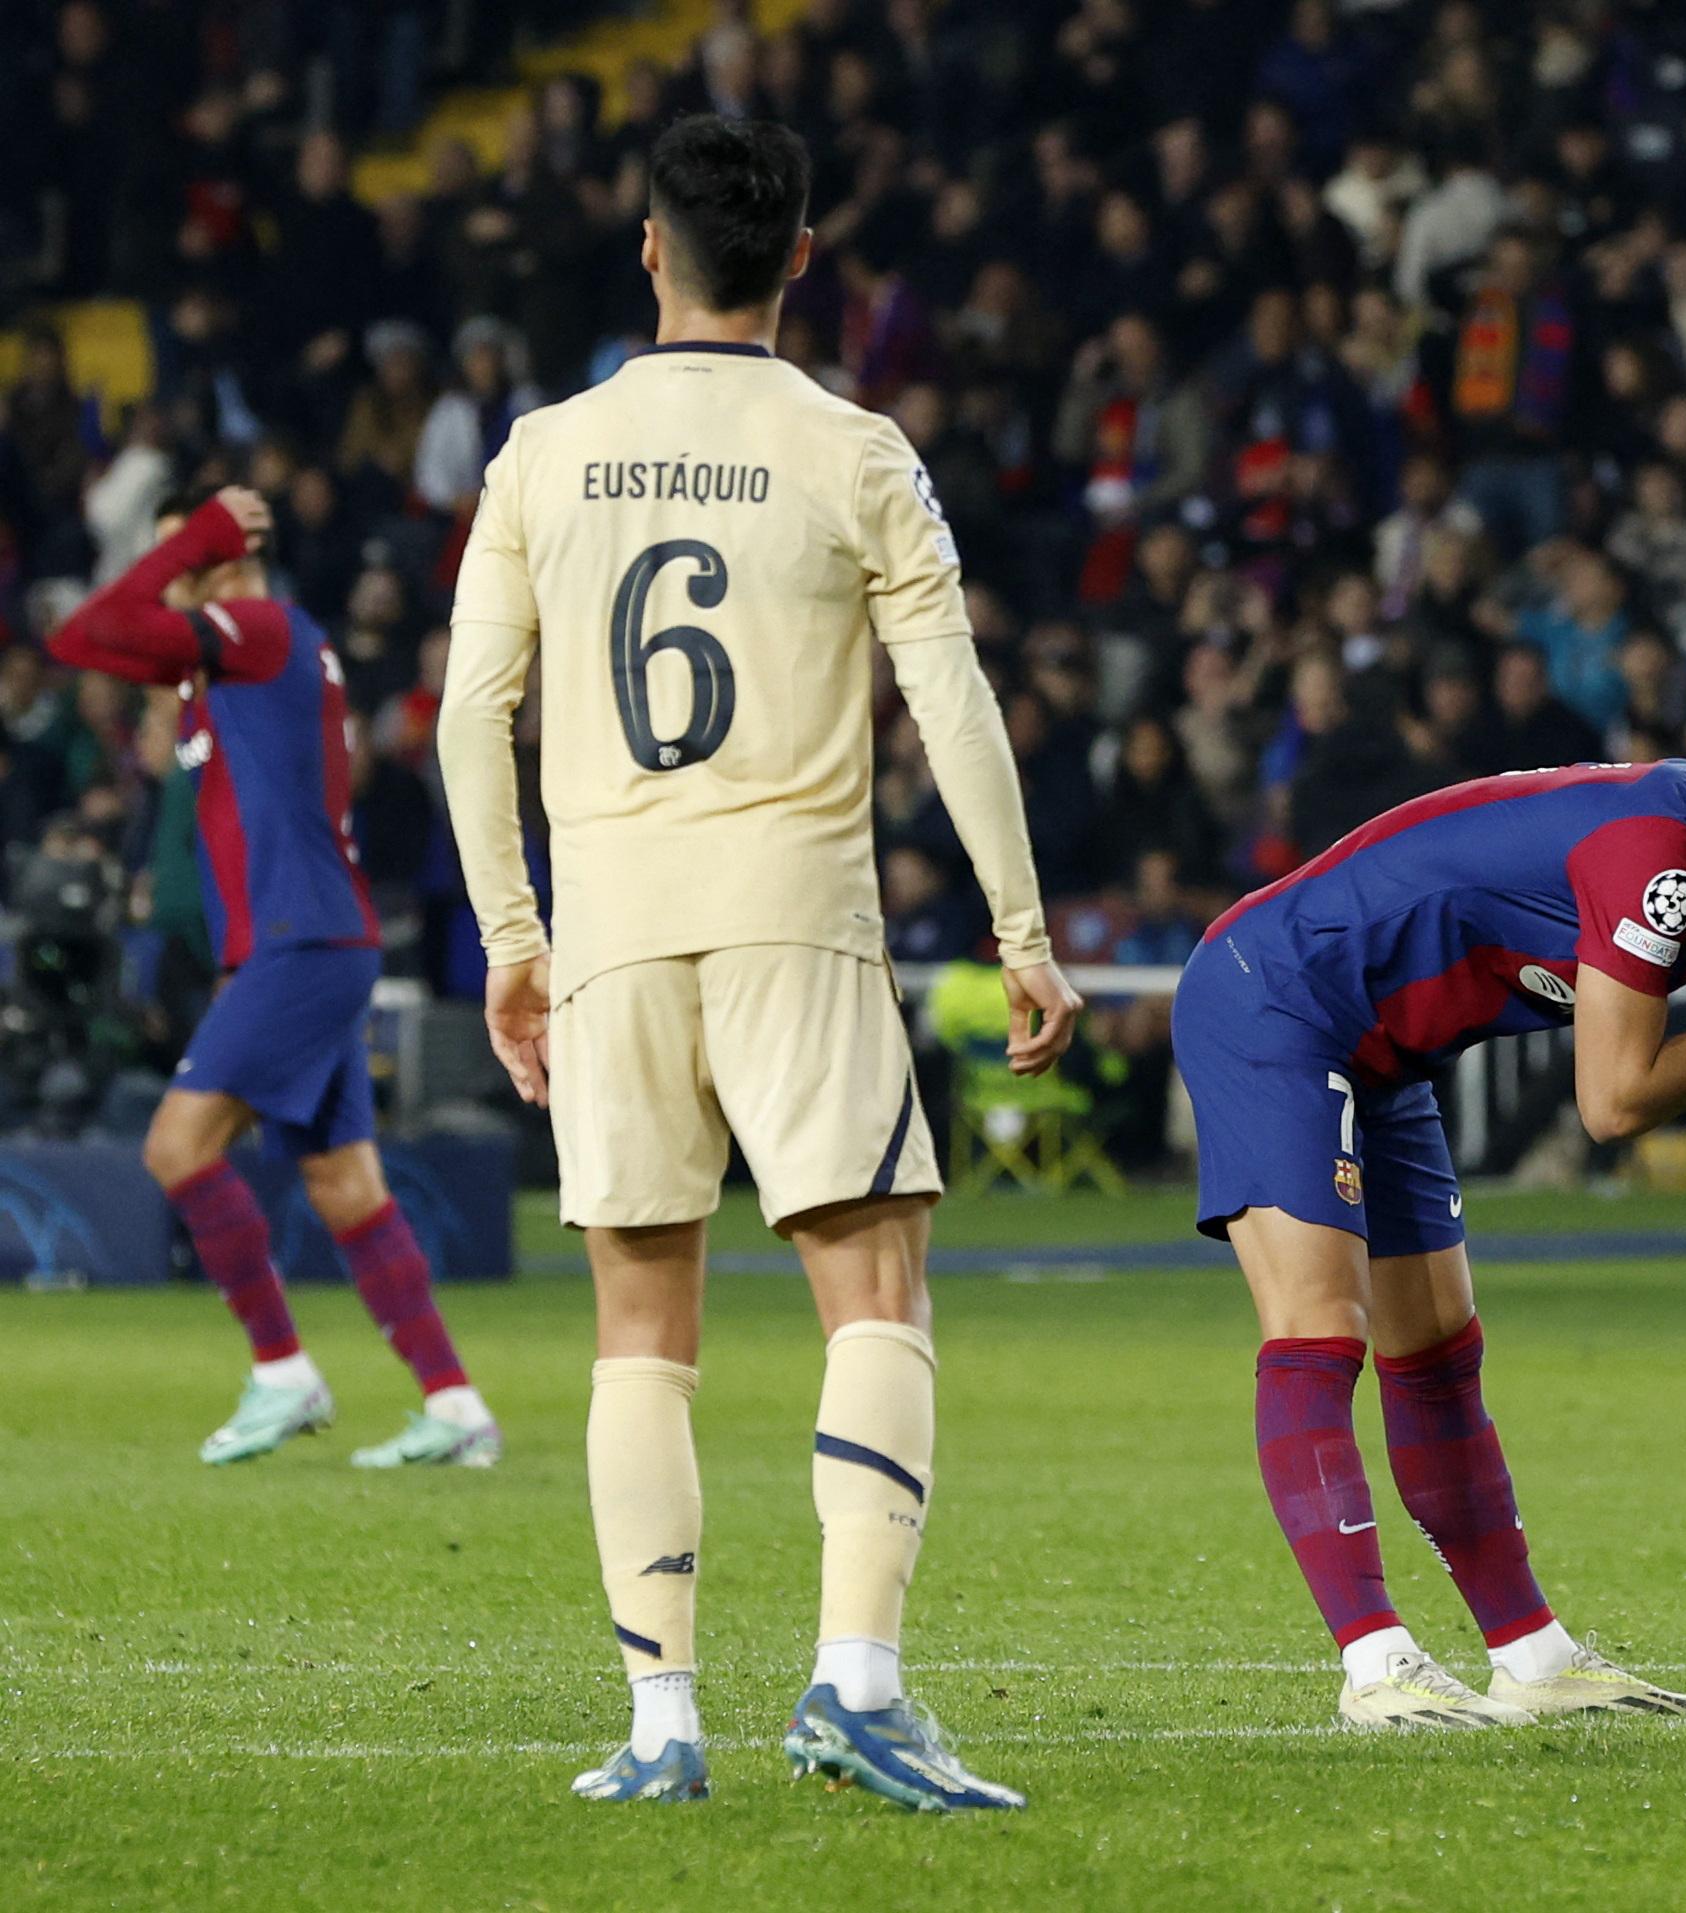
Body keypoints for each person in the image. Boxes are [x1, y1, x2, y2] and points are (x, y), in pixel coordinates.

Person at [437, 116, 1080, 1813]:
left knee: (640, 1326)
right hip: (796, 912)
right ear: (801, 257)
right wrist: (1022, 932)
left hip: (614, 928)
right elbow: (952, 701)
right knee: (874, 1291)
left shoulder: (539, 454)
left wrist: (514, 941)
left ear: (648, 249)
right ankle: (854, 1686)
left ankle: (661, 1723)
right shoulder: (855, 449)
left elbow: (468, 716)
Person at [1173, 717, 1686, 1729]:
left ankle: (1531, 1656)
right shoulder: (1661, 854)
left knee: (1439, 1350)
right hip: (1275, 993)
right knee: (1322, 1324)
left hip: (1385, 1050)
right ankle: (1374, 1660)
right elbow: (1613, 1104)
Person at [51, 483, 498, 1473]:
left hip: (302, 939)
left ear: (225, 557)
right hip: (306, 941)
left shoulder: (258, 630)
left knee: (177, 1146)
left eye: (182, 558)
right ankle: (455, 1401)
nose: (166, 579)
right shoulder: (238, 659)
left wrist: (202, 535)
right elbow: (90, 646)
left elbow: (91, 627)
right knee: (345, 1185)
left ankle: (283, 1368)